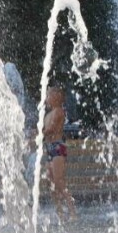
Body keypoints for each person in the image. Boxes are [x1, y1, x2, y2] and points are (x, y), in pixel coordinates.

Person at [42, 86, 76, 222]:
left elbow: (50, 130)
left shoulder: (58, 112)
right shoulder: (47, 114)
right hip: (50, 148)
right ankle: (60, 212)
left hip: (58, 147)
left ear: (56, 97)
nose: (46, 97)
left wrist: (38, 134)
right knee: (51, 182)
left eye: (49, 95)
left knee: (59, 181)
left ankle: (73, 211)